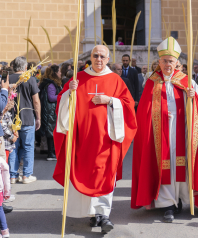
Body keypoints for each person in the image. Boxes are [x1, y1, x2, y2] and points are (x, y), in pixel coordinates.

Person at [131, 36, 198, 223]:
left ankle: (180, 198)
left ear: (177, 63)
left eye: (171, 61)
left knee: (180, 164)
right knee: (164, 163)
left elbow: (197, 105)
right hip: (159, 132)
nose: (167, 64)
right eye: (164, 61)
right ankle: (167, 204)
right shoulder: (152, 81)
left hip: (181, 131)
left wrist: (192, 97)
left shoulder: (185, 80)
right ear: (159, 61)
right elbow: (145, 109)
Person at [53, 45, 137, 233]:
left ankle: (103, 214)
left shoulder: (116, 80)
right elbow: (61, 103)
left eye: (102, 56)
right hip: (82, 138)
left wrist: (110, 100)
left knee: (104, 175)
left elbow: (128, 105)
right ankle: (92, 214)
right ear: (91, 58)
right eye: (95, 56)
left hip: (107, 139)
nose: (99, 59)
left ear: (108, 59)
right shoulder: (78, 79)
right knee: (86, 174)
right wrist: (68, 93)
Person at [8, 56, 40, 184]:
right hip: (27, 116)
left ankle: (12, 176)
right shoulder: (30, 79)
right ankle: (26, 175)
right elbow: (36, 101)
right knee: (28, 146)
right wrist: (38, 117)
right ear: (25, 67)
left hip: (11, 117)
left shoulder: (8, 79)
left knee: (12, 146)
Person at [39, 65, 62, 161]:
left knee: (51, 132)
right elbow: (51, 97)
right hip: (50, 111)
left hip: (50, 111)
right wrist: (62, 96)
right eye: (59, 71)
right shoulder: (51, 85)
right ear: (55, 73)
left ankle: (51, 152)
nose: (60, 73)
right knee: (51, 133)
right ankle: (51, 153)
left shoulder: (49, 83)